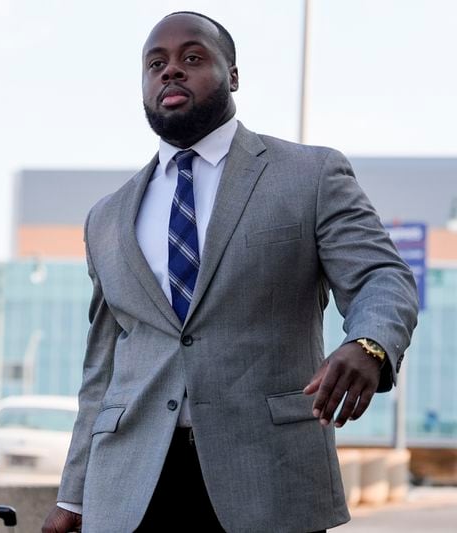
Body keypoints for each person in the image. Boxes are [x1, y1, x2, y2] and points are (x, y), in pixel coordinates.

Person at [42, 11, 418, 533]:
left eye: (192, 58)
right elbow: (103, 366)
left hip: (269, 478)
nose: (170, 72)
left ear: (233, 75)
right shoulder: (107, 216)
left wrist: (370, 344)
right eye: (156, 65)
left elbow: (382, 275)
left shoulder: (311, 175)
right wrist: (74, 495)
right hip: (129, 489)